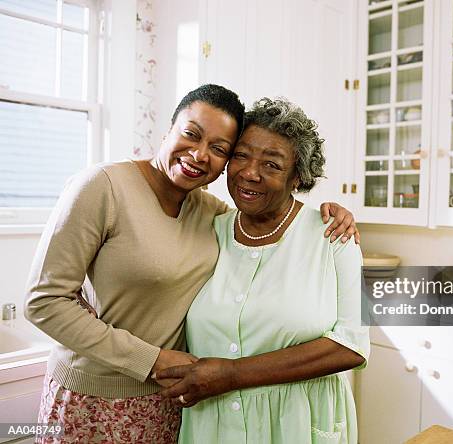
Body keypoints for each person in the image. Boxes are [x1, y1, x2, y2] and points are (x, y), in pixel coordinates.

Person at [24, 84, 358, 443]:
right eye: (191, 134)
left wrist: (334, 214)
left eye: (218, 149)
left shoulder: (212, 214)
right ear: (169, 128)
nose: (200, 155)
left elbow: (270, 219)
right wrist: (152, 360)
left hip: (171, 402)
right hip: (95, 397)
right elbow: (44, 301)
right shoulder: (101, 187)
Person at [155, 97, 369, 444]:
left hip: (299, 424)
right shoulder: (209, 228)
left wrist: (232, 374)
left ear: (297, 177)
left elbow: (352, 345)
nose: (249, 173)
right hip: (213, 425)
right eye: (240, 155)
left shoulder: (335, 237)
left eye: (271, 164)